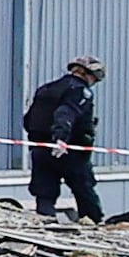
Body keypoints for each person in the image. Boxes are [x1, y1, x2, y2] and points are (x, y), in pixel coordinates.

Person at [23, 53, 108, 222]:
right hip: (69, 150)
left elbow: (29, 119)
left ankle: (46, 223)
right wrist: (60, 138)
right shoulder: (80, 91)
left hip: (41, 148)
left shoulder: (46, 89)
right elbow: (65, 113)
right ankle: (94, 225)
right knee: (84, 189)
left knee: (44, 191)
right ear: (89, 75)